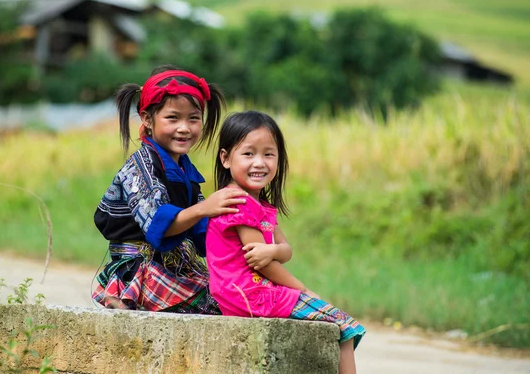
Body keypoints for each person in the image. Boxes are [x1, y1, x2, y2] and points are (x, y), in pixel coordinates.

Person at [206, 111, 365, 373]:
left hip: (252, 292)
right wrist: (302, 290)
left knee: (338, 326)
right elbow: (263, 264)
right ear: (225, 158)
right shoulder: (239, 201)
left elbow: (285, 250)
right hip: (251, 294)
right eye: (248, 154)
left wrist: (275, 250)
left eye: (269, 154)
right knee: (343, 327)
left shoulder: (261, 205)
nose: (259, 162)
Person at [92, 65, 248, 314]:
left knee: (240, 292)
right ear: (147, 119)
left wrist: (245, 242)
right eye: (173, 118)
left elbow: (204, 234)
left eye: (193, 118)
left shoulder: (186, 171)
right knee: (220, 305)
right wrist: (203, 209)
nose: (184, 127)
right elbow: (160, 225)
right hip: (139, 271)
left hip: (176, 267)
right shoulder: (140, 166)